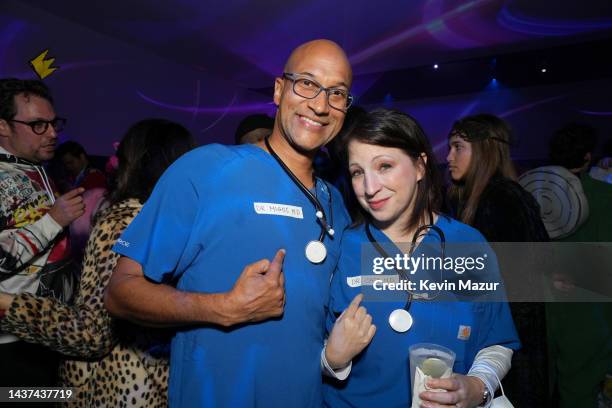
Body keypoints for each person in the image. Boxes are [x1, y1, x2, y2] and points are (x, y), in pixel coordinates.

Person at [104, 39, 374, 408]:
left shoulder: (337, 202)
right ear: (279, 91)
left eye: (337, 93)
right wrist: (223, 307)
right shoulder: (205, 170)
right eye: (307, 83)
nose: (320, 104)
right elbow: (120, 292)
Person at [323, 109, 520, 407]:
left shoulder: (467, 244)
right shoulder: (342, 248)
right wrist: (333, 358)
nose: (370, 188)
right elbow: (302, 351)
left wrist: (476, 386)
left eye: (385, 166)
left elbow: (496, 342)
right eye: (357, 172)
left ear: (419, 167)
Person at [0, 119, 196, 406]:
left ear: (134, 162)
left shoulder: (123, 223)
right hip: (156, 385)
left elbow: (91, 334)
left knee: (12, 397)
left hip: (109, 389)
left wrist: (6, 303)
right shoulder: (182, 219)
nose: (114, 161)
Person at [446, 113, 550, 406]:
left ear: (484, 150)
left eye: (457, 147)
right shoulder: (471, 197)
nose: (449, 156)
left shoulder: (502, 198)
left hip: (509, 343)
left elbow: (524, 279)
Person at [0, 78, 84, 387]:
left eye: (53, 123)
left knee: (49, 398)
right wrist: (54, 220)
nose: (52, 133)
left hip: (45, 328)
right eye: (38, 125)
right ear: (2, 126)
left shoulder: (33, 166)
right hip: (10, 342)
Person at [546, 123, 612, 408]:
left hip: (547, 305)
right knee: (582, 391)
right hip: (592, 310)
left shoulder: (535, 194)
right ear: (587, 157)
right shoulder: (604, 195)